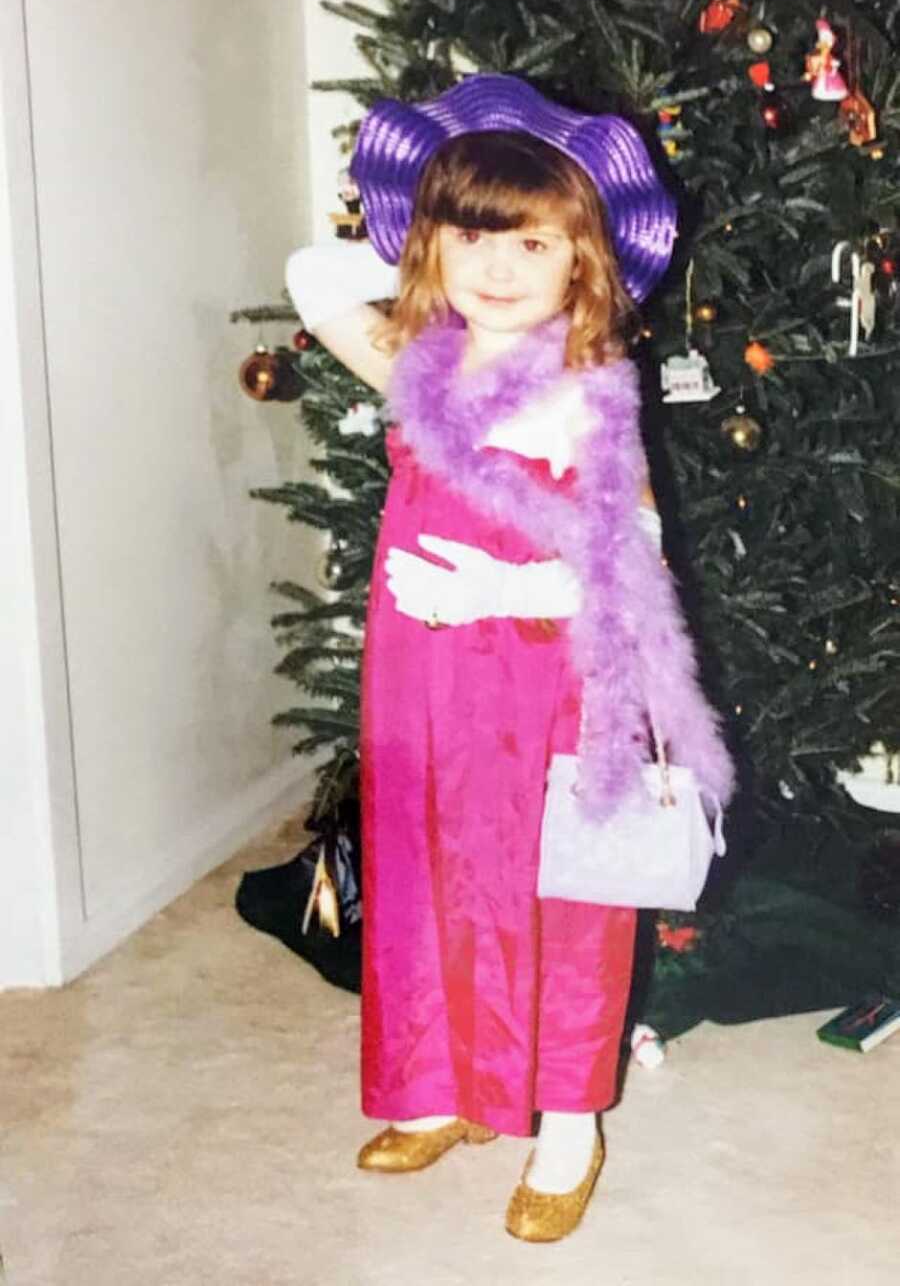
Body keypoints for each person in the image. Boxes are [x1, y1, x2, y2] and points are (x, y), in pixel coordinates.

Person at [285, 74, 734, 1243]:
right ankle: (441, 1089)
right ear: (427, 243)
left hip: (550, 681)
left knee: (561, 896)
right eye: (469, 233)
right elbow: (309, 273)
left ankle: (569, 1125)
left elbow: (633, 568)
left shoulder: (586, 397)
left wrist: (506, 584)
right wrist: (411, 239)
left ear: (584, 262)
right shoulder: (418, 365)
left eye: (532, 241)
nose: (496, 265)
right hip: (420, 680)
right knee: (430, 871)